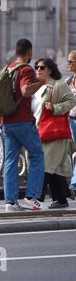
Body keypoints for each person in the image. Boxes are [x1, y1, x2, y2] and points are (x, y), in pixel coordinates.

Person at [0, 39, 46, 212]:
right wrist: (41, 82)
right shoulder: (25, 69)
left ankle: (10, 202)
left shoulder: (7, 68)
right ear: (29, 53)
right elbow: (26, 90)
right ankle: (31, 197)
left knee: (10, 161)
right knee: (37, 155)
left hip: (7, 122)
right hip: (23, 121)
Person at [32, 58, 76, 209]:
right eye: (36, 67)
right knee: (52, 167)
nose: (38, 70)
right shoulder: (36, 88)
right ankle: (61, 199)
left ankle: (36, 198)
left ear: (50, 70)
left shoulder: (58, 85)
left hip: (54, 133)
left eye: (41, 67)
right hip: (40, 131)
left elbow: (71, 101)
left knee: (46, 165)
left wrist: (55, 108)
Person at [65, 51, 76, 200]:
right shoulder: (69, 80)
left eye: (71, 61)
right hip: (71, 120)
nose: (68, 64)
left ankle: (74, 184)